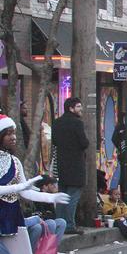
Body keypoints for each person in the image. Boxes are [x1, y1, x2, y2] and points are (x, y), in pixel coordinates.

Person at [0, 114, 70, 254]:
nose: (13, 137)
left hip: (12, 215)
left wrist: (51, 197)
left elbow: (27, 192)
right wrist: (18, 188)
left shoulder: (14, 161)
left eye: (13, 133)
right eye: (8, 133)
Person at [50, 97, 88, 233]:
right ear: (71, 108)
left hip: (62, 164)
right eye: (78, 106)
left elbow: (54, 141)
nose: (80, 109)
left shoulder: (57, 123)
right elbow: (84, 143)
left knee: (62, 195)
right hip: (76, 164)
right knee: (72, 196)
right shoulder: (77, 123)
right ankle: (70, 225)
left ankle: (59, 224)